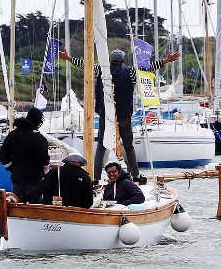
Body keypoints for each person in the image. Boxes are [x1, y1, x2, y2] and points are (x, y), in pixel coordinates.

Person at [60, 46, 179, 183]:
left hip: (106, 115)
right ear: (123, 61)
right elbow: (148, 68)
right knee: (128, 146)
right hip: (123, 115)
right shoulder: (130, 72)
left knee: (101, 147)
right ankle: (136, 175)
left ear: (110, 60)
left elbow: (85, 65)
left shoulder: (101, 70)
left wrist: (68, 58)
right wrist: (166, 60)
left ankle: (96, 178)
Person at [0, 107, 50, 200]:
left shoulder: (13, 135)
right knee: (34, 209)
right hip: (34, 180)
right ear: (37, 120)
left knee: (17, 206)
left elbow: (3, 155)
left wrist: (11, 167)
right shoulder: (38, 137)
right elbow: (44, 160)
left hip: (17, 178)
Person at [19, 154, 94, 208]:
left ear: (67, 162)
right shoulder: (86, 178)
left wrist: (22, 199)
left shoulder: (56, 171)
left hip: (51, 210)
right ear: (80, 164)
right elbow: (89, 202)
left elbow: (40, 188)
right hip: (74, 214)